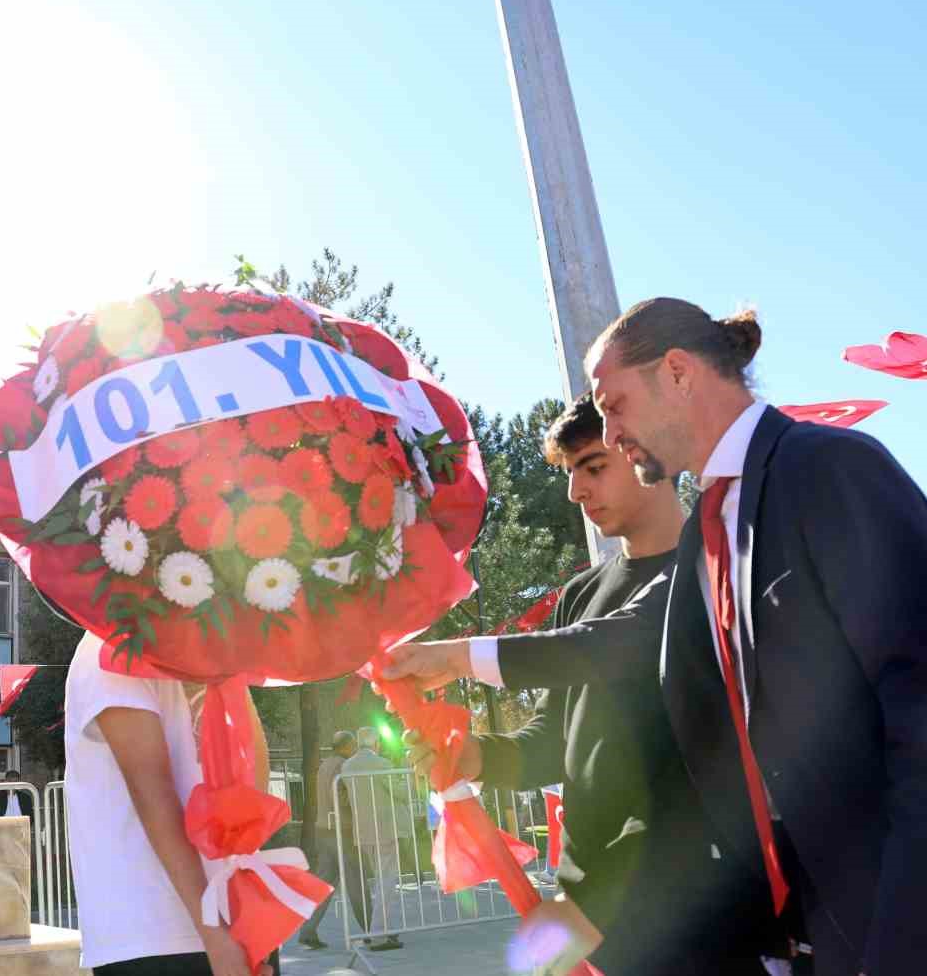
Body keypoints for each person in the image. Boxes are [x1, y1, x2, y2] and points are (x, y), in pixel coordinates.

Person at [583, 297, 927, 976]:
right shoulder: (702, 538)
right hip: (805, 940)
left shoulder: (830, 469)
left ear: (678, 373)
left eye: (613, 404)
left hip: (910, 935)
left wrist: (908, 949)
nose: (609, 430)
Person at [384, 395, 776, 975]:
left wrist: (458, 656)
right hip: (595, 909)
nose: (576, 493)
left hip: (695, 905)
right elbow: (555, 740)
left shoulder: (713, 569)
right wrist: (476, 758)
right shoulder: (580, 595)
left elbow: (616, 661)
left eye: (593, 466)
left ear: (648, 455)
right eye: (569, 475)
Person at [63, 630, 272, 976]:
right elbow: (154, 796)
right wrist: (218, 938)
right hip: (152, 934)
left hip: (235, 924)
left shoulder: (201, 652)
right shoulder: (109, 646)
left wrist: (232, 671)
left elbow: (253, 790)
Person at [339, 726, 413, 952]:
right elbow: (400, 793)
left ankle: (382, 930)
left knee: (380, 882)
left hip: (364, 832)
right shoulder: (381, 764)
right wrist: (408, 773)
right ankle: (379, 934)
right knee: (386, 882)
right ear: (376, 743)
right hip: (386, 830)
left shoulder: (347, 766)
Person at [296, 731, 369, 950]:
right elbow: (345, 798)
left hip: (323, 829)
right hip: (342, 830)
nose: (355, 749)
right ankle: (373, 931)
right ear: (346, 746)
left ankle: (307, 932)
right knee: (357, 881)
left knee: (324, 885)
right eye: (354, 745)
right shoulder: (343, 766)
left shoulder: (325, 765)